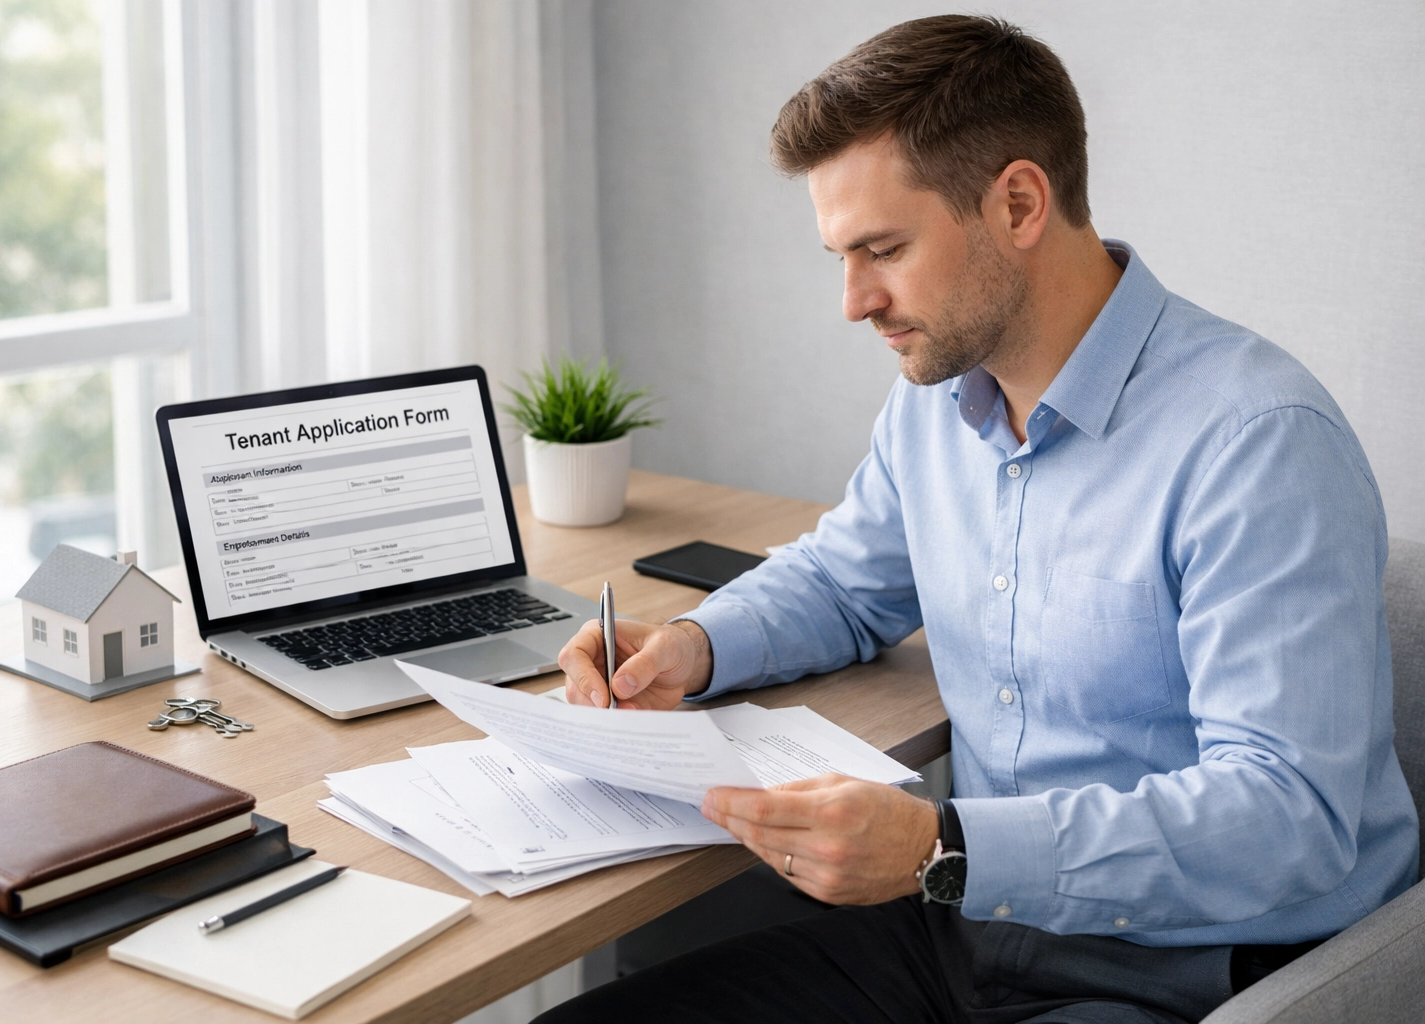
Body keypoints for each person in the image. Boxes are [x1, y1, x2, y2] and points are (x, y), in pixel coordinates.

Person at [536, 14, 1419, 1024]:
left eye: (883, 249)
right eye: (840, 255)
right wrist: (693, 645)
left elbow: (1286, 819)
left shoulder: (1256, 439)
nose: (853, 300)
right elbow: (845, 577)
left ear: (1018, 202)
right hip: (964, 928)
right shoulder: (937, 398)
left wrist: (941, 845)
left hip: (1182, 978)